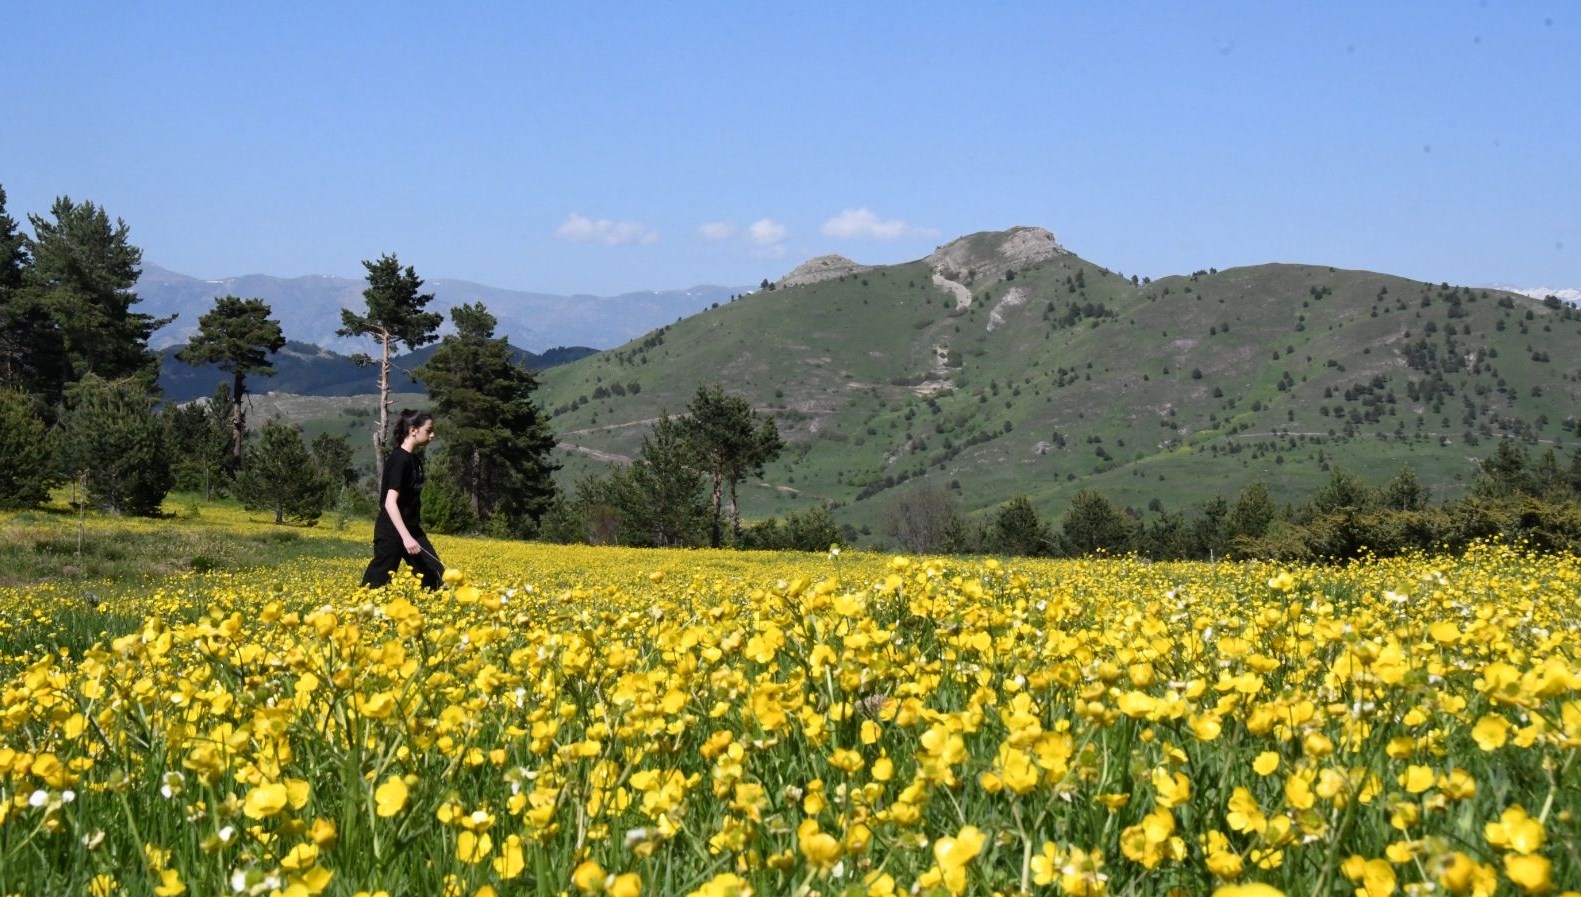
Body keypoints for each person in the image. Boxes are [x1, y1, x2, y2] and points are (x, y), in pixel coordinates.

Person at [361, 409, 445, 589]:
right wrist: (406, 538)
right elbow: (389, 502)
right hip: (392, 530)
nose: (432, 435)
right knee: (378, 581)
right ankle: (360, 605)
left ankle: (434, 605)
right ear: (413, 430)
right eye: (428, 430)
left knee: (435, 574)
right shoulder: (399, 460)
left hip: (412, 529)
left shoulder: (415, 460)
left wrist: (410, 534)